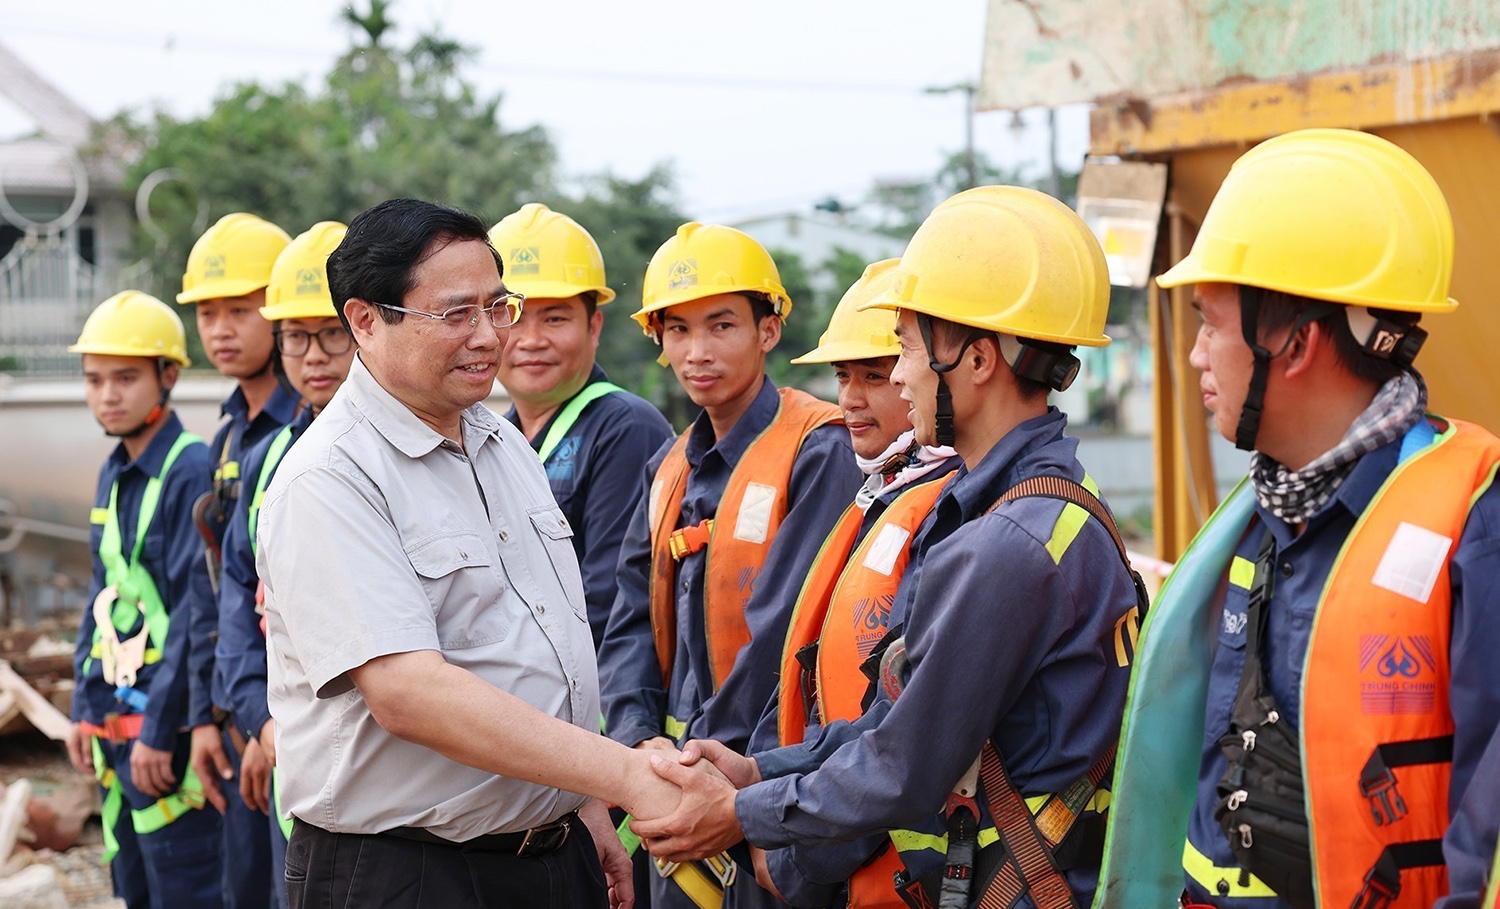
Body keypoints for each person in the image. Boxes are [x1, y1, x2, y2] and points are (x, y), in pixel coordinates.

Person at [631, 186, 1145, 909]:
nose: (899, 377)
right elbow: (891, 722)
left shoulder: (1008, 544)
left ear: (977, 359)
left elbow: (904, 765)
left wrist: (742, 812)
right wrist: (758, 770)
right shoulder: (1027, 507)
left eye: (903, 349)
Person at [1089, 128, 1500, 909]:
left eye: (1211, 323)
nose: (1196, 355)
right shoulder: (1258, 515)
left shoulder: (1472, 523)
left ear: (1297, 342)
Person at [255, 198, 682, 909]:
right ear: (366, 320)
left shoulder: (499, 440)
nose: (489, 336)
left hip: (546, 850)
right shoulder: (331, 478)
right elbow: (408, 693)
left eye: (497, 306)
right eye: (456, 313)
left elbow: (533, 638)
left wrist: (578, 801)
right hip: (411, 872)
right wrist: (626, 776)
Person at [597, 221, 862, 908]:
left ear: (768, 330)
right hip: (670, 785)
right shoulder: (668, 467)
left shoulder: (817, 450)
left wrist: (705, 772)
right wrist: (637, 741)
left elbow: (784, 635)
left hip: (761, 789)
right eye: (678, 330)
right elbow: (629, 620)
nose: (698, 351)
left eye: (721, 325)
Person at [748, 258, 961, 908]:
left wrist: (792, 861)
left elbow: (899, 733)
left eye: (875, 374)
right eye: (843, 376)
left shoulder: (952, 511)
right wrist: (757, 777)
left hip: (883, 862)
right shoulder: (877, 497)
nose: (851, 398)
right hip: (823, 835)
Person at [64, 291, 223, 909]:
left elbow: (192, 613)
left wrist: (159, 732)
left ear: (168, 376)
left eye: (125, 378)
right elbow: (103, 595)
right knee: (133, 888)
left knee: (186, 889)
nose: (107, 395)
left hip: (168, 740)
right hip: (119, 733)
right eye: (94, 380)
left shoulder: (190, 468)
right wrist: (83, 709)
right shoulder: (115, 468)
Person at [211, 222, 354, 909]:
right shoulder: (271, 455)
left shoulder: (395, 448)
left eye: (330, 334)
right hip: (284, 741)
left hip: (364, 754)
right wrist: (261, 724)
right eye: (295, 336)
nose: (312, 355)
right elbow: (241, 594)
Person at [176, 211, 298, 909]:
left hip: (288, 726)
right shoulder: (228, 436)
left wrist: (265, 727)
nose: (220, 329)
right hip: (240, 711)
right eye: (207, 313)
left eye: (240, 310)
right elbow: (212, 594)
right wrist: (207, 717)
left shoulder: (306, 429)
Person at [488, 203, 673, 649]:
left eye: (555, 318)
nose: (532, 341)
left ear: (594, 326)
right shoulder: (493, 439)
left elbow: (608, 603)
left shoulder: (626, 428)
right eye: (513, 317)